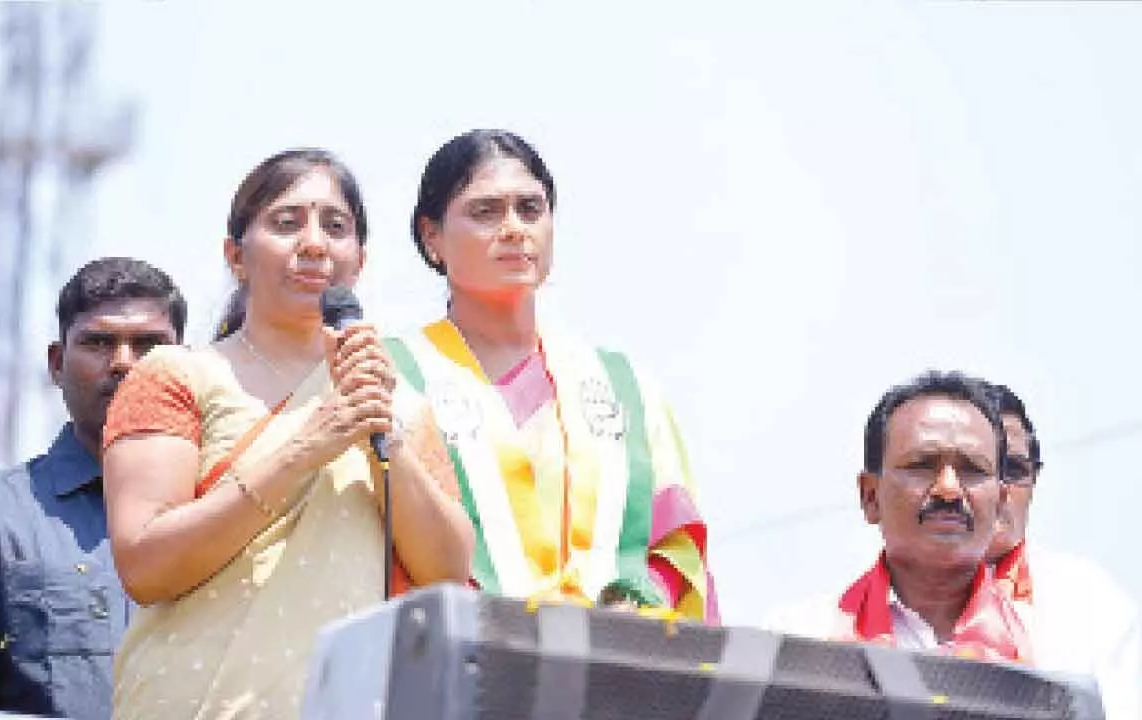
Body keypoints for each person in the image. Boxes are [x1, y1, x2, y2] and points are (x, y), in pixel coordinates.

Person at [101, 148, 474, 718]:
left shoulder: (399, 403)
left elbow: (447, 575)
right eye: (286, 222)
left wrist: (385, 439)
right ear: (236, 256)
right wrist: (306, 447)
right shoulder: (178, 375)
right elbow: (146, 567)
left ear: (360, 259)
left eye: (336, 226)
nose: (315, 243)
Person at [385, 129, 718, 622]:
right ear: (431, 235)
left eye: (530, 209)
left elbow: (676, 543)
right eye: (485, 212)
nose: (515, 229)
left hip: (617, 664)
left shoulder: (622, 387)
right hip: (467, 664)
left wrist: (636, 607)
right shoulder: (396, 376)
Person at [0, 257, 186, 719]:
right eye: (98, 342)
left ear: (186, 368)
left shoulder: (228, 505)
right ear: (57, 364)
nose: (123, 364)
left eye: (149, 345)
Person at [769, 371, 1029, 659]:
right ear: (870, 497)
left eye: (972, 470)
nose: (949, 489)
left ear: (1000, 503)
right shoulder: (801, 641)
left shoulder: (1062, 648)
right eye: (922, 465)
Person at [985, 383, 1139, 719]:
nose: (998, 490)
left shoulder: (1087, 600)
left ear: (1034, 479)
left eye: (1013, 470)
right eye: (977, 468)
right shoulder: (861, 609)